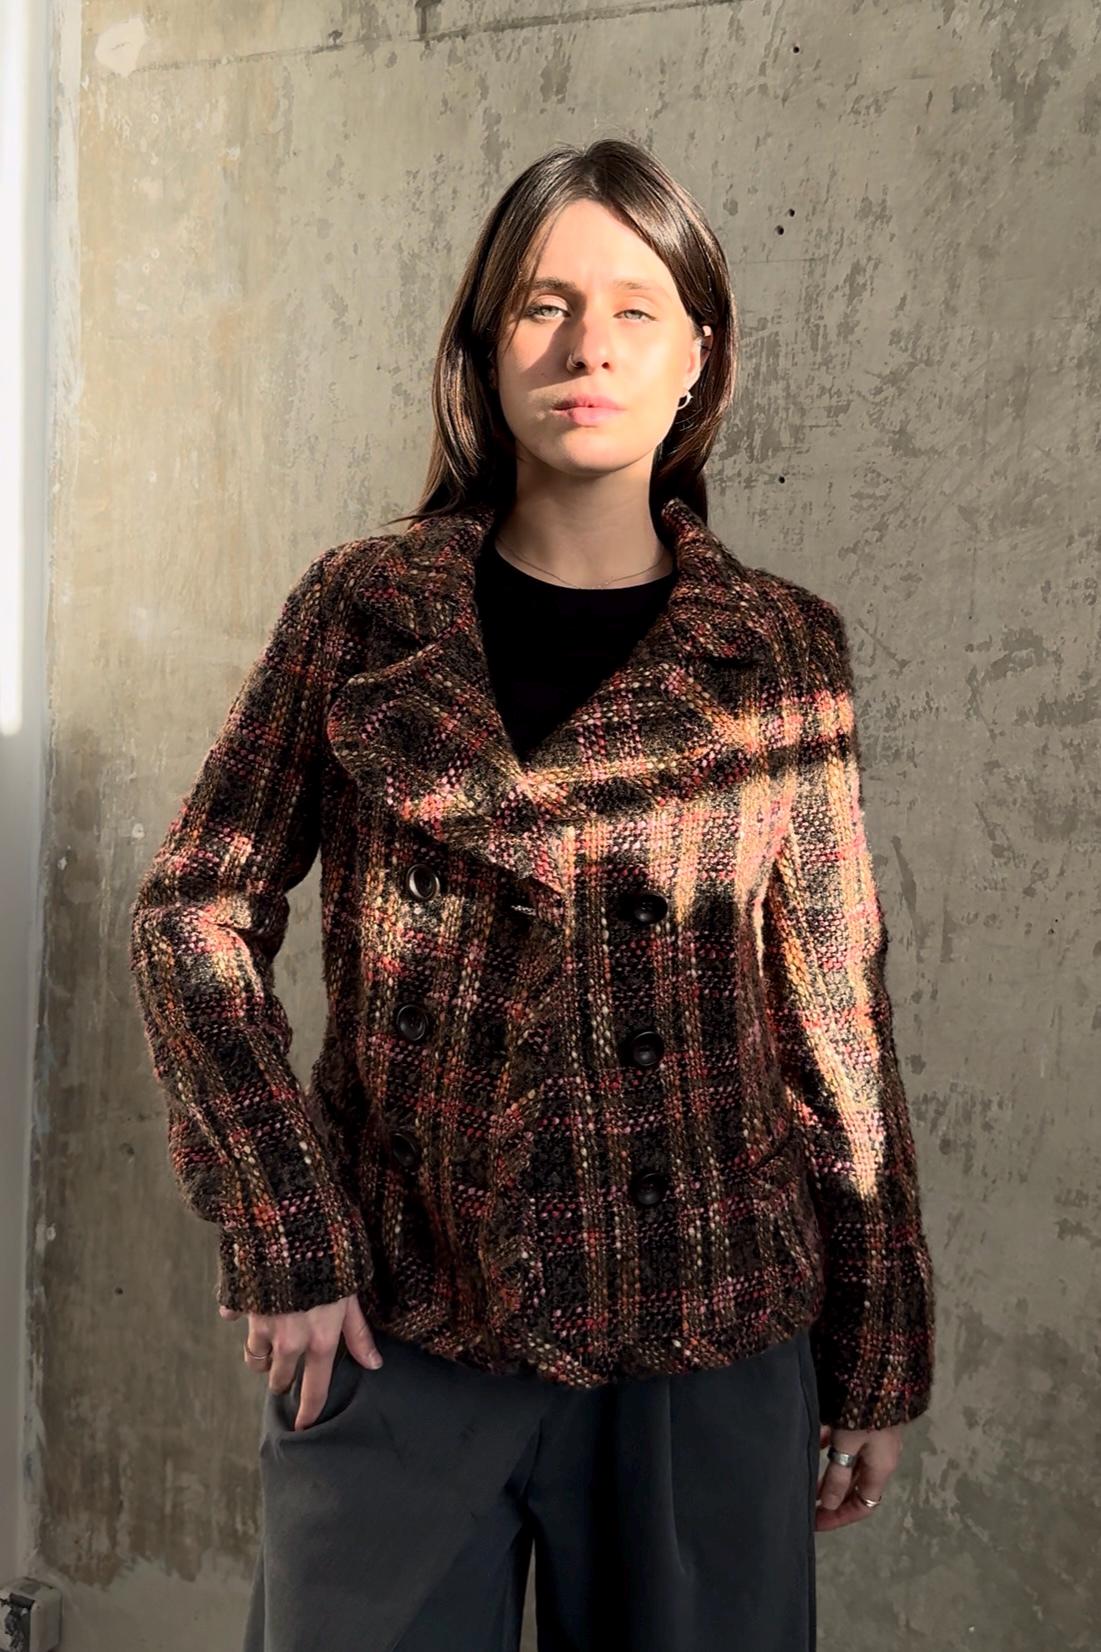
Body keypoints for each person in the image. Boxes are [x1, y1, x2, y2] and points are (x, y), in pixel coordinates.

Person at [128, 138, 936, 1651]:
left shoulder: (779, 649)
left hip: (708, 1332)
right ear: (482, 348)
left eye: (636, 309)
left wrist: (875, 1344)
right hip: (408, 1313)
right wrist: (286, 1233)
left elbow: (833, 1009)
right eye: (542, 305)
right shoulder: (363, 611)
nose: (587, 348)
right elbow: (194, 911)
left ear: (699, 355)